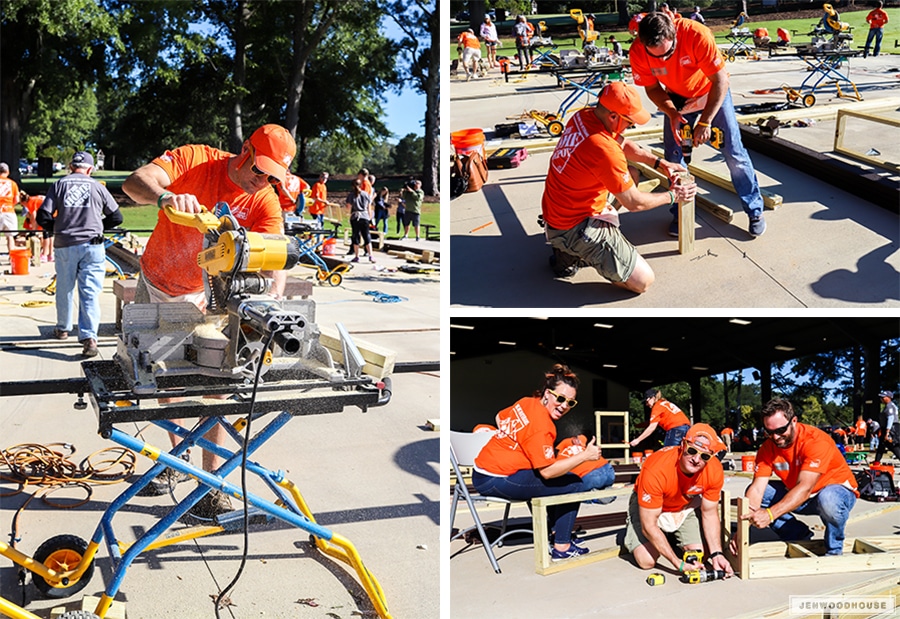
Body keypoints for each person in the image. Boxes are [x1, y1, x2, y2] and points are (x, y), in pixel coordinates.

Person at [121, 124, 295, 517]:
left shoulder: (264, 199)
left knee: (218, 382)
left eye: (272, 176)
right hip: (160, 280)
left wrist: (272, 296)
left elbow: (277, 253)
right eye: (260, 169)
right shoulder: (195, 160)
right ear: (246, 150)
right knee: (164, 379)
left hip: (212, 293)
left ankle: (209, 480)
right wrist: (167, 196)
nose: (262, 180)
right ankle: (176, 460)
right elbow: (136, 182)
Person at [541, 81, 696, 294]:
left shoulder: (584, 117)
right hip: (575, 226)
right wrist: (674, 195)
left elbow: (622, 144)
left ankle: (571, 245)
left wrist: (660, 163)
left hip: (559, 211)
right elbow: (634, 203)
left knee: (631, 174)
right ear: (614, 117)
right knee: (643, 281)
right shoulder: (603, 149)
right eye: (629, 123)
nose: (630, 127)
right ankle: (574, 252)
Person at [630, 12, 767, 238]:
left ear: (673, 33)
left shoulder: (696, 34)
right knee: (674, 160)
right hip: (677, 100)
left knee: (734, 153)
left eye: (668, 53)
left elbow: (720, 80)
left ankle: (754, 211)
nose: (663, 61)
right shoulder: (637, 51)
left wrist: (705, 121)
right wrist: (672, 113)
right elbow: (653, 88)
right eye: (657, 57)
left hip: (710, 93)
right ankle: (680, 214)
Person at [473, 364, 601, 561]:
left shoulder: (526, 402)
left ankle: (551, 532)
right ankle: (562, 546)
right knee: (575, 484)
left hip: (481, 472)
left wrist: (516, 442)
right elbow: (547, 472)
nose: (564, 405)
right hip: (498, 479)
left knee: (551, 483)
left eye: (570, 402)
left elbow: (499, 418)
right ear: (547, 394)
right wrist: (585, 456)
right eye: (560, 398)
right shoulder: (543, 426)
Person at [737, 399, 858, 556]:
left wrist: (770, 514)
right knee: (765, 493)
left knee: (828, 500)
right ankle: (798, 535)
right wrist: (741, 533)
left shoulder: (815, 441)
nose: (775, 437)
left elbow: (805, 487)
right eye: (769, 432)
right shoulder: (767, 448)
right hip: (803, 496)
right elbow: (757, 489)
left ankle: (834, 550)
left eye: (781, 430)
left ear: (793, 421)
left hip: (836, 493)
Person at [36, 152, 121, 357]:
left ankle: (63, 328)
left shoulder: (59, 185)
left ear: (71, 166)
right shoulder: (98, 187)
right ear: (90, 169)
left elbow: (43, 215)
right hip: (93, 246)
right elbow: (116, 216)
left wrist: (57, 228)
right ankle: (90, 338)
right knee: (90, 293)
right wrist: (99, 227)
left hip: (64, 245)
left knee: (64, 288)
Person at [624, 423, 733, 577]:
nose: (696, 459)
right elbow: (648, 525)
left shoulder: (714, 470)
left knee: (699, 555)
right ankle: (645, 530)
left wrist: (717, 554)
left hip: (682, 506)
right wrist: (677, 563)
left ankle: (666, 538)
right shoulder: (656, 468)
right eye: (692, 450)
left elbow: (710, 513)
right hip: (652, 508)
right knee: (646, 561)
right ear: (683, 444)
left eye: (704, 456)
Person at [556, 434, 616, 503]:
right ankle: (605, 489)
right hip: (609, 470)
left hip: (592, 476)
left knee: (570, 492)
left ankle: (593, 497)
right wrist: (575, 438)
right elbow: (582, 437)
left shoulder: (559, 457)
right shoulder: (581, 446)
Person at [347, 178, 375, 263]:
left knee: (356, 236)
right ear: (361, 185)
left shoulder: (351, 195)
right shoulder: (365, 194)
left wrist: (349, 215)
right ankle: (371, 255)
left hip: (355, 216)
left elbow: (348, 207)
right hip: (365, 216)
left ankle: (356, 256)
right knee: (366, 236)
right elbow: (369, 207)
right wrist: (370, 217)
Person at [20, 191, 53, 262]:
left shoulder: (30, 202)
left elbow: (34, 216)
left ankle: (44, 255)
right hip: (53, 211)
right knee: (50, 235)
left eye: (21, 205)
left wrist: (34, 231)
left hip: (47, 212)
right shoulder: (34, 199)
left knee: (46, 235)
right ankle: (50, 255)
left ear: (23, 202)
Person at [874, 390, 900, 464]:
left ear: (888, 397)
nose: (881, 398)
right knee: (881, 446)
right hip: (887, 428)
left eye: (883, 397)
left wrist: (887, 432)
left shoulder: (890, 406)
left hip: (892, 428)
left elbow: (890, 419)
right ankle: (876, 462)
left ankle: (876, 462)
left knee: (893, 446)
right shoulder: (889, 406)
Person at [0, 162, 19, 258]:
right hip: (8, 211)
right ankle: (12, 257)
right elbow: (17, 199)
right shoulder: (13, 183)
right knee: (10, 236)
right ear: (7, 171)